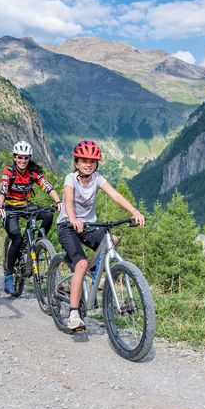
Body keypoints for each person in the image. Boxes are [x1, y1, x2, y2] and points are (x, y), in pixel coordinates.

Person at [56, 140, 145, 331]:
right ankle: (73, 313)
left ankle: (93, 276)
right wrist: (73, 218)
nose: (88, 164)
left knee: (112, 241)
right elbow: (68, 200)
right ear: (77, 162)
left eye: (92, 161)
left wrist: (135, 212)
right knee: (80, 263)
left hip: (88, 226)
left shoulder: (97, 178)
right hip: (67, 226)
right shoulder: (70, 179)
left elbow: (115, 195)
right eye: (84, 160)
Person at [0, 140, 62, 295]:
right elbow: (3, 190)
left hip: (25, 205)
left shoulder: (33, 171)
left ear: (29, 158)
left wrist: (57, 201)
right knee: (16, 238)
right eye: (20, 157)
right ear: (14, 157)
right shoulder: (9, 171)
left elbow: (47, 186)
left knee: (47, 215)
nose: (23, 161)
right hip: (9, 207)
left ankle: (38, 244)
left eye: (26, 158)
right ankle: (8, 276)